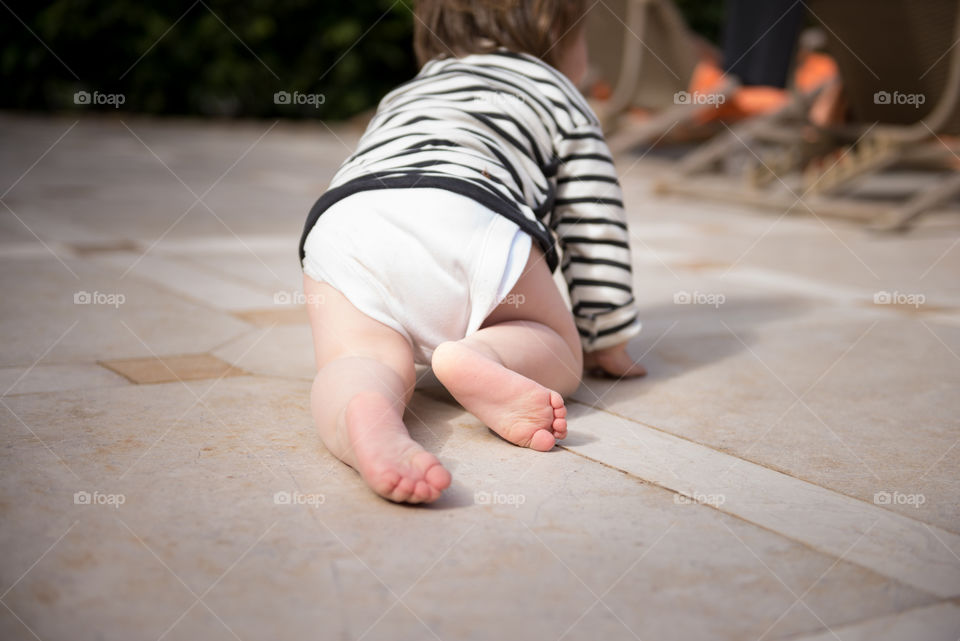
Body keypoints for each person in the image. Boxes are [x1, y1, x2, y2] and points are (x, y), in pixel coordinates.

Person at [299, 0, 646, 505]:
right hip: (469, 210)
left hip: (346, 222)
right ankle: (478, 355)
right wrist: (605, 334)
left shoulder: (407, 91)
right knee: (556, 345)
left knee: (360, 356)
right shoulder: (559, 95)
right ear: (559, 33)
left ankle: (364, 413)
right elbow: (595, 220)